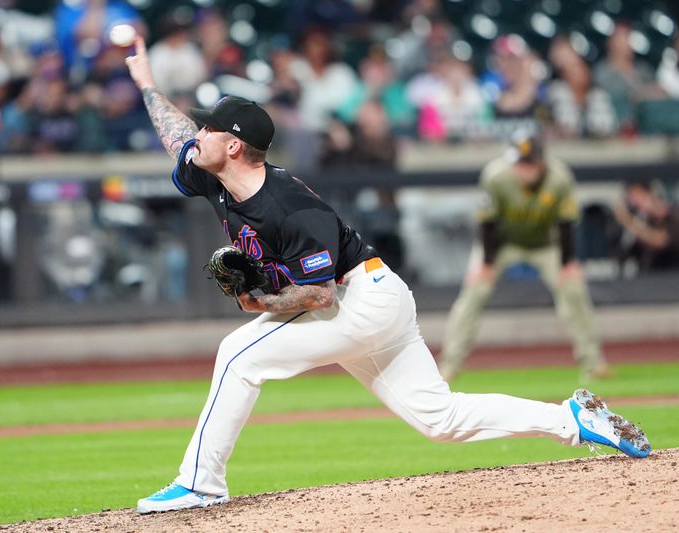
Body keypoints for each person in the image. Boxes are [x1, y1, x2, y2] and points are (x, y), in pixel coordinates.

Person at [124, 36, 649, 514]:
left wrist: (253, 303)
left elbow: (319, 293)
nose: (198, 135)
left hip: (358, 298)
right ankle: (570, 420)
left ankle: (201, 483)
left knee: (237, 356)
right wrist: (148, 83)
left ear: (234, 146)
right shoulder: (216, 176)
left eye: (209, 129)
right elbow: (176, 138)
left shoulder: (286, 205)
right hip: (371, 300)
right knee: (439, 419)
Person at [439, 131, 610, 383]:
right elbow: (487, 222)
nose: (522, 169)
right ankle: (449, 365)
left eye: (528, 163)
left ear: (541, 161)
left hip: (545, 243)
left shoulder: (559, 178)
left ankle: (594, 361)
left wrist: (568, 262)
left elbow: (566, 223)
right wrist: (486, 264)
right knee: (475, 291)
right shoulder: (496, 176)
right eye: (519, 162)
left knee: (573, 289)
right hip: (501, 243)